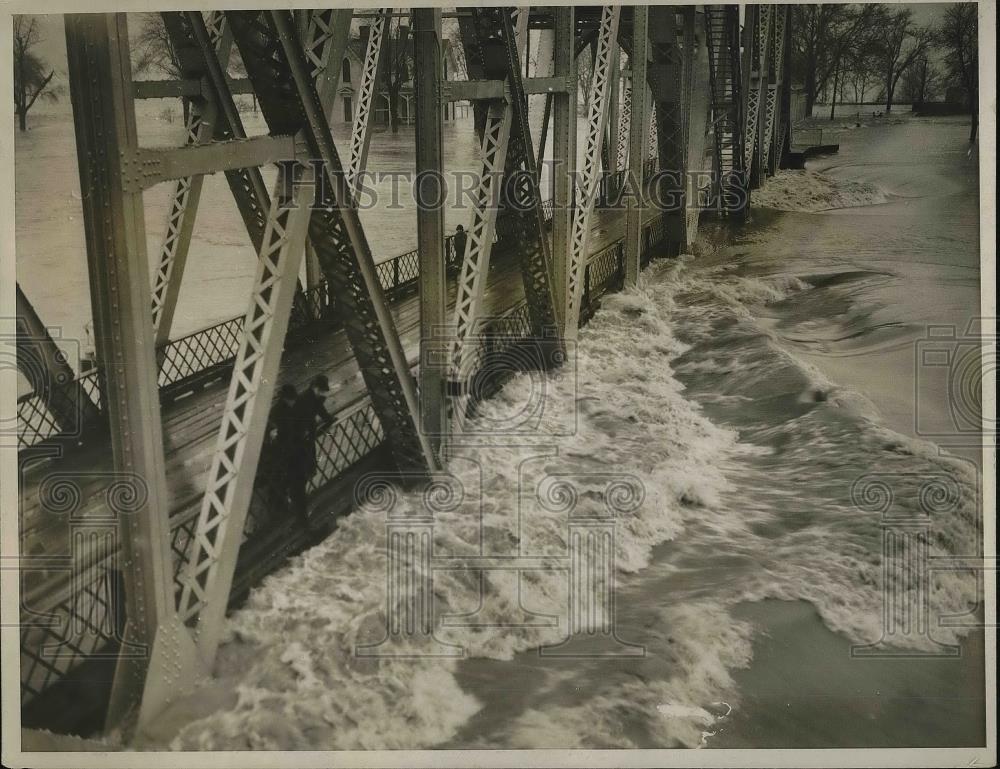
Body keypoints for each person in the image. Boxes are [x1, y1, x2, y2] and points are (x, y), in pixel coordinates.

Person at [286, 374, 335, 527]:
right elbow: (308, 417)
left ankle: (299, 499)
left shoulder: (311, 397)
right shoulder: (306, 399)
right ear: (315, 387)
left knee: (308, 468)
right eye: (322, 390)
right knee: (304, 470)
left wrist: (328, 419)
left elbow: (319, 410)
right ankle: (298, 503)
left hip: (305, 440)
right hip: (301, 442)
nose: (323, 393)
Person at [263, 384, 298, 519]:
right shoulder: (278, 411)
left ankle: (280, 506)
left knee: (280, 480)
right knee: (280, 479)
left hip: (281, 450)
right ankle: (280, 508)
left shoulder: (281, 409)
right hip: (278, 452)